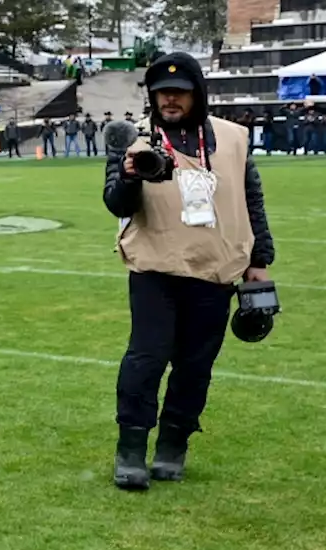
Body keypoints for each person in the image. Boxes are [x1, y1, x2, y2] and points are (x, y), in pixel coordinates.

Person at [102, 53, 276, 490]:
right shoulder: (134, 139)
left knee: (196, 366)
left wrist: (260, 261)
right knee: (146, 358)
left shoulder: (233, 139)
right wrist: (127, 177)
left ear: (197, 94)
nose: (170, 101)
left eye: (179, 93)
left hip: (214, 270)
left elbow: (250, 200)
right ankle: (131, 449)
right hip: (155, 268)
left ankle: (174, 444)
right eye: (163, 94)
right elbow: (115, 204)